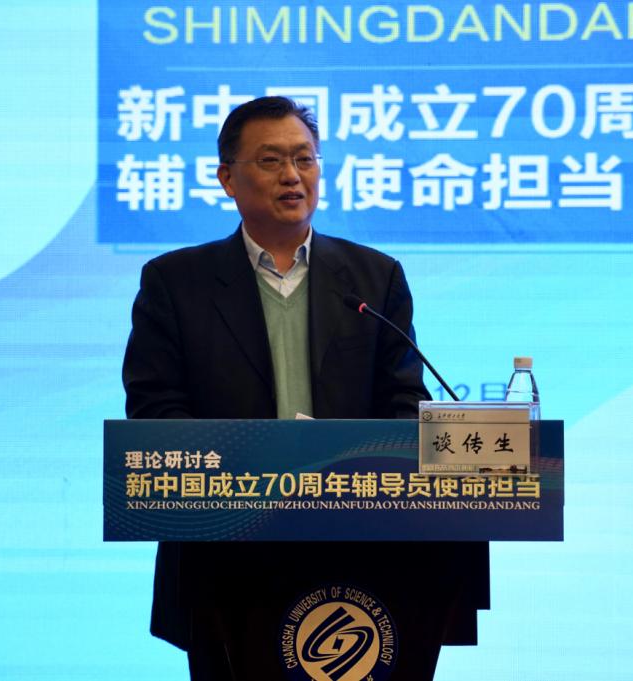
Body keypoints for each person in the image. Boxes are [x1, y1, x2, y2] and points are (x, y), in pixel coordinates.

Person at [122, 96, 487, 679]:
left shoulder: (373, 277)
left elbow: (403, 406)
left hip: (365, 552)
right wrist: (261, 467)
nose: (293, 176)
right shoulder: (175, 282)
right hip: (226, 560)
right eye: (271, 161)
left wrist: (344, 467)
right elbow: (155, 412)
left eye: (305, 159)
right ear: (227, 178)